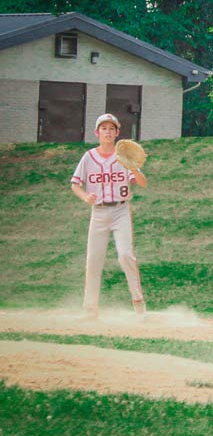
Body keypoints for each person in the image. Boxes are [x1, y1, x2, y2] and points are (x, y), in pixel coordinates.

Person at [71, 113, 147, 320]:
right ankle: (90, 309)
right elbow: (75, 184)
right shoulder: (89, 157)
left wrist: (134, 168)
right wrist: (86, 196)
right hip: (99, 212)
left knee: (125, 255)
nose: (107, 131)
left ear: (117, 133)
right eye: (103, 128)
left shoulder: (123, 157)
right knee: (94, 260)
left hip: (121, 211)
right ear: (97, 132)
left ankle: (139, 304)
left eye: (111, 128)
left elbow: (142, 182)